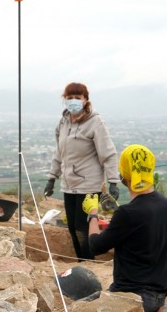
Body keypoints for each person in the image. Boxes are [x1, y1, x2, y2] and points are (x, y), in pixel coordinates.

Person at [83, 144, 167, 312]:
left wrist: (92, 214)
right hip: (159, 295)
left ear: (124, 174)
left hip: (131, 296)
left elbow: (95, 246)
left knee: (80, 309)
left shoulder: (128, 213)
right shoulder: (166, 205)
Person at [43, 82, 120, 261]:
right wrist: (52, 178)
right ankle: (81, 261)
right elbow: (59, 152)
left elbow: (108, 152)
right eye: (69, 98)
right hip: (69, 184)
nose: (73, 101)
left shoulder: (95, 122)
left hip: (89, 184)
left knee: (82, 226)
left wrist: (113, 181)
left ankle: (89, 261)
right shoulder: (63, 123)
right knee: (72, 227)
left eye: (77, 98)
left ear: (85, 100)